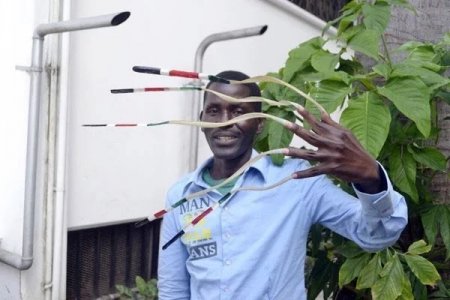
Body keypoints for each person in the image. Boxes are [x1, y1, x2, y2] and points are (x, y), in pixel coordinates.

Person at [158, 70, 407, 300]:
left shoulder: (298, 182)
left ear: (260, 123)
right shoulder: (181, 195)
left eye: (239, 112)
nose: (224, 121)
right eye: (214, 111)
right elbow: (173, 290)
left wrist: (371, 179)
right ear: (202, 119)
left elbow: (378, 235)